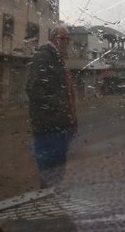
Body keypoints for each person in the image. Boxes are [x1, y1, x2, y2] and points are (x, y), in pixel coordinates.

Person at [26, 26, 77, 188]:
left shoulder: (58, 59)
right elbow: (34, 90)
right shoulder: (43, 57)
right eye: (63, 39)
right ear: (53, 38)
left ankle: (53, 202)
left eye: (68, 39)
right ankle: (47, 205)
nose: (66, 43)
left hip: (61, 126)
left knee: (58, 171)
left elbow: (66, 92)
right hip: (48, 127)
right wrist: (60, 106)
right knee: (49, 172)